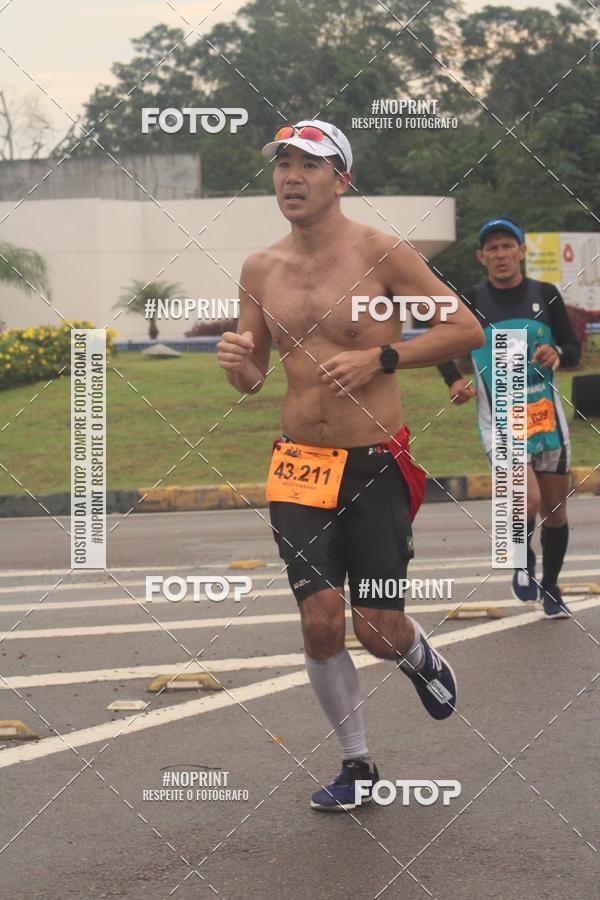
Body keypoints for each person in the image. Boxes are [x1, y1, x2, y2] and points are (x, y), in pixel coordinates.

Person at [217, 120, 484, 811]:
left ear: (342, 178)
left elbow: (465, 328)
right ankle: (357, 763)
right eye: (283, 165)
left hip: (372, 465)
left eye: (309, 165)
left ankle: (418, 653)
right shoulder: (259, 268)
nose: (291, 177)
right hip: (299, 468)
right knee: (319, 620)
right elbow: (250, 380)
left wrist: (381, 356)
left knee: (375, 629)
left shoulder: (382, 254)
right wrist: (240, 366)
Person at [438, 217, 581, 619]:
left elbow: (571, 348)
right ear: (481, 257)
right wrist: (454, 381)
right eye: (493, 248)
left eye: (508, 246)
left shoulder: (546, 294)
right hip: (500, 422)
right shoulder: (471, 301)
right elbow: (442, 346)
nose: (501, 254)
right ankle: (521, 558)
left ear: (521, 252)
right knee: (526, 501)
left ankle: (551, 588)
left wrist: (557, 356)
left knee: (556, 511)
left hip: (546, 419)